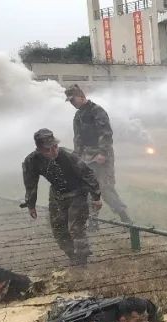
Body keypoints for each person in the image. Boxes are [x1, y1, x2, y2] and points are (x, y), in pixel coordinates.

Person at [21, 128, 102, 266]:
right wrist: (31, 204)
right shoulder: (32, 161)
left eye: (55, 147)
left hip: (78, 192)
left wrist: (96, 197)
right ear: (39, 149)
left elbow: (88, 174)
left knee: (76, 228)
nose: (53, 151)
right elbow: (30, 183)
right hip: (57, 194)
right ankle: (72, 256)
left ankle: (83, 261)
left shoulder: (69, 156)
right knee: (58, 229)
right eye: (48, 150)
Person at [65, 84, 132, 225]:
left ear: (82, 97)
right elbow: (78, 138)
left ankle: (125, 217)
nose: (72, 103)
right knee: (88, 188)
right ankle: (93, 221)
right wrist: (77, 156)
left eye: (73, 100)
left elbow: (105, 133)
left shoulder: (97, 111)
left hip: (102, 155)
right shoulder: (78, 115)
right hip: (86, 156)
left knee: (105, 188)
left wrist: (102, 153)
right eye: (70, 101)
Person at [34, 295, 163, 322]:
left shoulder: (145, 307)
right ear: (124, 321)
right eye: (139, 320)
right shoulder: (104, 321)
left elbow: (155, 312)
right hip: (67, 309)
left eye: (144, 318)